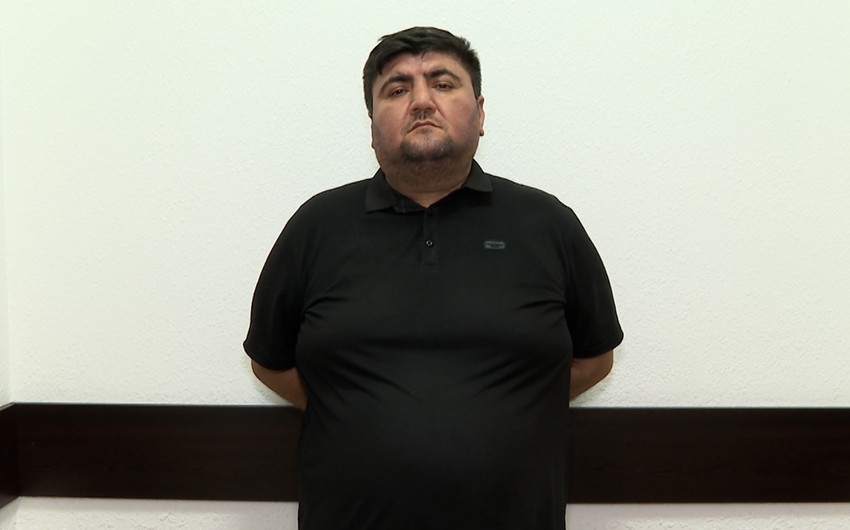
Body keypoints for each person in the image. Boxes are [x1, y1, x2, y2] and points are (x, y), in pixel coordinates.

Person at [244, 26, 623, 530]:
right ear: (372, 125)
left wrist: (514, 404)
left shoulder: (548, 224)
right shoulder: (316, 226)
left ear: (480, 114)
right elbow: (269, 362)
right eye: (397, 89)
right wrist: (350, 408)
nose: (422, 101)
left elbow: (595, 358)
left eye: (443, 84)